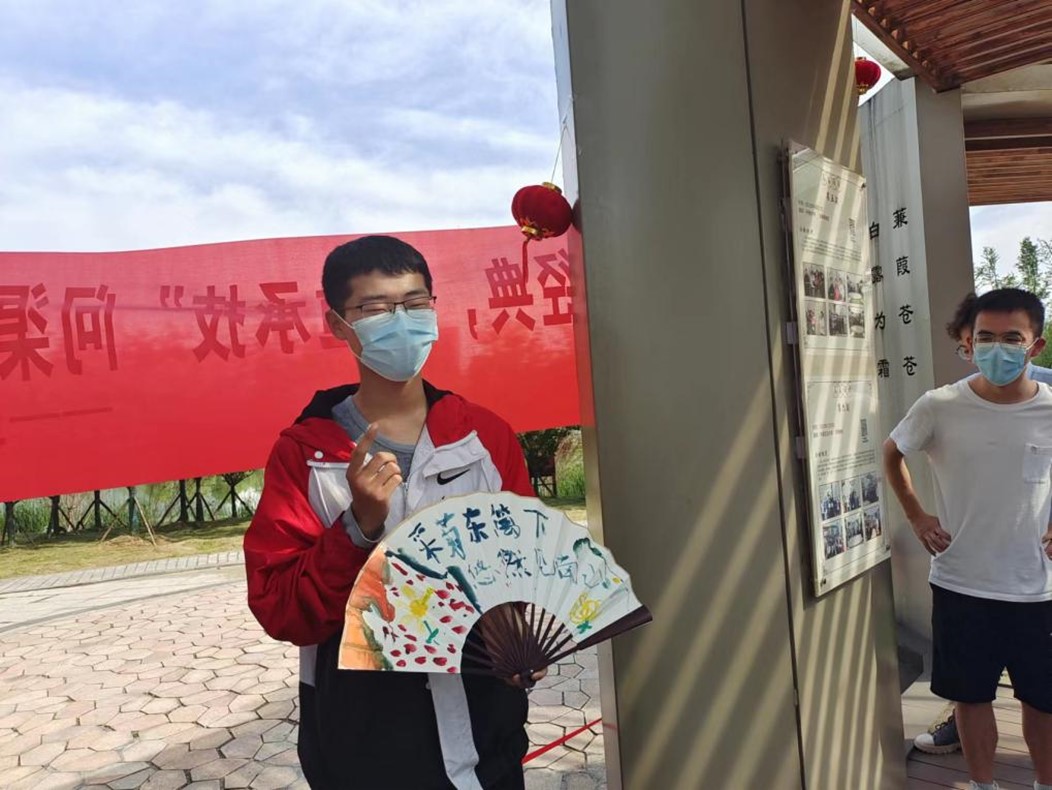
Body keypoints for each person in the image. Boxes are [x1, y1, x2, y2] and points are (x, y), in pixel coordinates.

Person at [244, 235, 543, 790]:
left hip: (488, 735)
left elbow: (524, 563)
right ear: (339, 325)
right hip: (364, 743)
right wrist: (357, 526)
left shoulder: (483, 437)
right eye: (376, 309)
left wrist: (515, 632)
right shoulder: (306, 455)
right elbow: (281, 609)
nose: (401, 322)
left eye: (415, 303)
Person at [885, 288, 1052, 790]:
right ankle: (983, 784)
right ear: (968, 341)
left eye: (1011, 338)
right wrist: (918, 517)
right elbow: (892, 453)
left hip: (1038, 587)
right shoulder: (940, 405)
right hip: (962, 583)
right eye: (985, 337)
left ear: (1036, 345)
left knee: (1043, 701)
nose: (997, 349)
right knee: (971, 697)